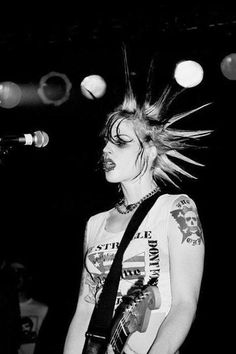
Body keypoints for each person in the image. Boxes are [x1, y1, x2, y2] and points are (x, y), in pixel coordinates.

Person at [63, 56, 211, 354]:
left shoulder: (176, 209)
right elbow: (84, 310)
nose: (106, 149)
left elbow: (184, 304)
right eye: (106, 140)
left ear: (151, 150)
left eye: (121, 142)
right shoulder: (95, 223)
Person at [10, 262, 48, 354]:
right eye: (12, 272)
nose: (16, 276)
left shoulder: (43, 309)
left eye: (20, 272)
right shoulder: (4, 310)